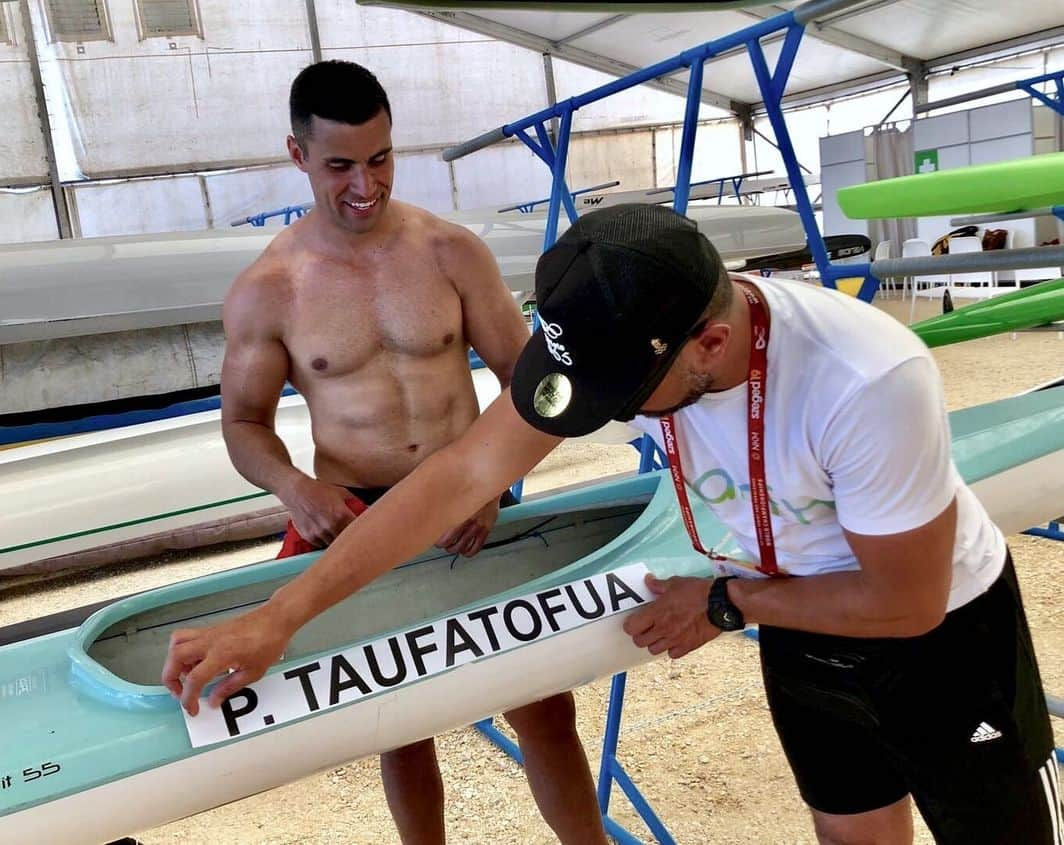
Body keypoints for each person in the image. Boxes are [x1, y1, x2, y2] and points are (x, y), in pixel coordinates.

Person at [166, 204, 1062, 845]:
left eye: (622, 399)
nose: (600, 415)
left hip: (941, 636)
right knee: (852, 831)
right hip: (790, 610)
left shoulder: (867, 379)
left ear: (708, 346)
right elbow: (460, 473)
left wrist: (724, 604)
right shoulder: (628, 329)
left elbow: (902, 602)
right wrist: (282, 615)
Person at [208, 60, 607, 845]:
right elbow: (243, 424)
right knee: (402, 717)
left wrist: (494, 479)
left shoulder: (452, 252)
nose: (366, 184)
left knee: (542, 706)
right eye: (341, 166)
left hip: (474, 507)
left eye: (381, 158)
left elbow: (532, 386)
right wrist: (294, 487)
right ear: (297, 156)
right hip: (355, 513)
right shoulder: (270, 288)